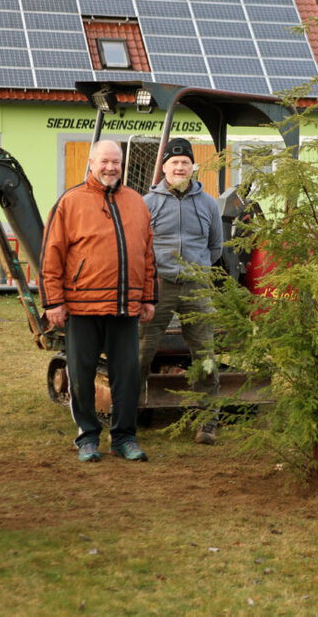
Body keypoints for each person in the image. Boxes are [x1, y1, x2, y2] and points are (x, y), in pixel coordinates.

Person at [41, 139, 157, 463]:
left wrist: (148, 297)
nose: (110, 168)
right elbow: (51, 257)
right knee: (81, 377)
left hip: (125, 307)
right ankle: (88, 438)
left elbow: (148, 255)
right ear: (91, 163)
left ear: (123, 165)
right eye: (104, 161)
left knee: (127, 377)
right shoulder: (70, 203)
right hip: (82, 307)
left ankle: (124, 438)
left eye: (116, 162)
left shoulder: (136, 202)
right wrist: (53, 302)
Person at [138, 138, 224, 445]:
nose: (179, 167)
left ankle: (207, 423)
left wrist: (196, 270)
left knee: (205, 354)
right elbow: (140, 247)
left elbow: (215, 247)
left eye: (185, 162)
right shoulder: (147, 203)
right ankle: (129, 418)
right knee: (142, 352)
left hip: (196, 288)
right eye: (174, 163)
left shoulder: (209, 204)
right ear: (163, 168)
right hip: (159, 287)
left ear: (192, 167)